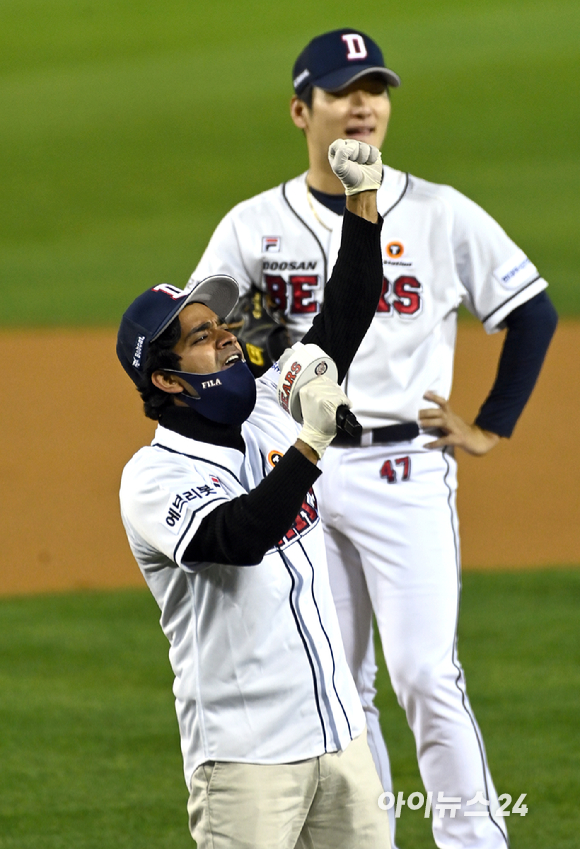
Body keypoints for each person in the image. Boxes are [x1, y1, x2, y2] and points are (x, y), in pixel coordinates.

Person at [187, 28, 559, 849]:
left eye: (376, 90)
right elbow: (203, 329)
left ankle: (476, 841)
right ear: (301, 110)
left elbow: (531, 310)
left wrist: (492, 423)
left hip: (405, 470)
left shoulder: (439, 211)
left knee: (427, 673)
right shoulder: (253, 224)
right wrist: (252, 344)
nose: (364, 105)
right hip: (302, 473)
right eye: (343, 90)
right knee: (340, 687)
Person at [117, 140, 392, 849]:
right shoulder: (153, 478)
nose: (229, 338)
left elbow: (346, 313)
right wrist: (311, 443)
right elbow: (236, 538)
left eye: (223, 324)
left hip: (340, 734)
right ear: (169, 380)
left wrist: (361, 200)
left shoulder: (271, 403)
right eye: (204, 337)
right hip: (246, 761)